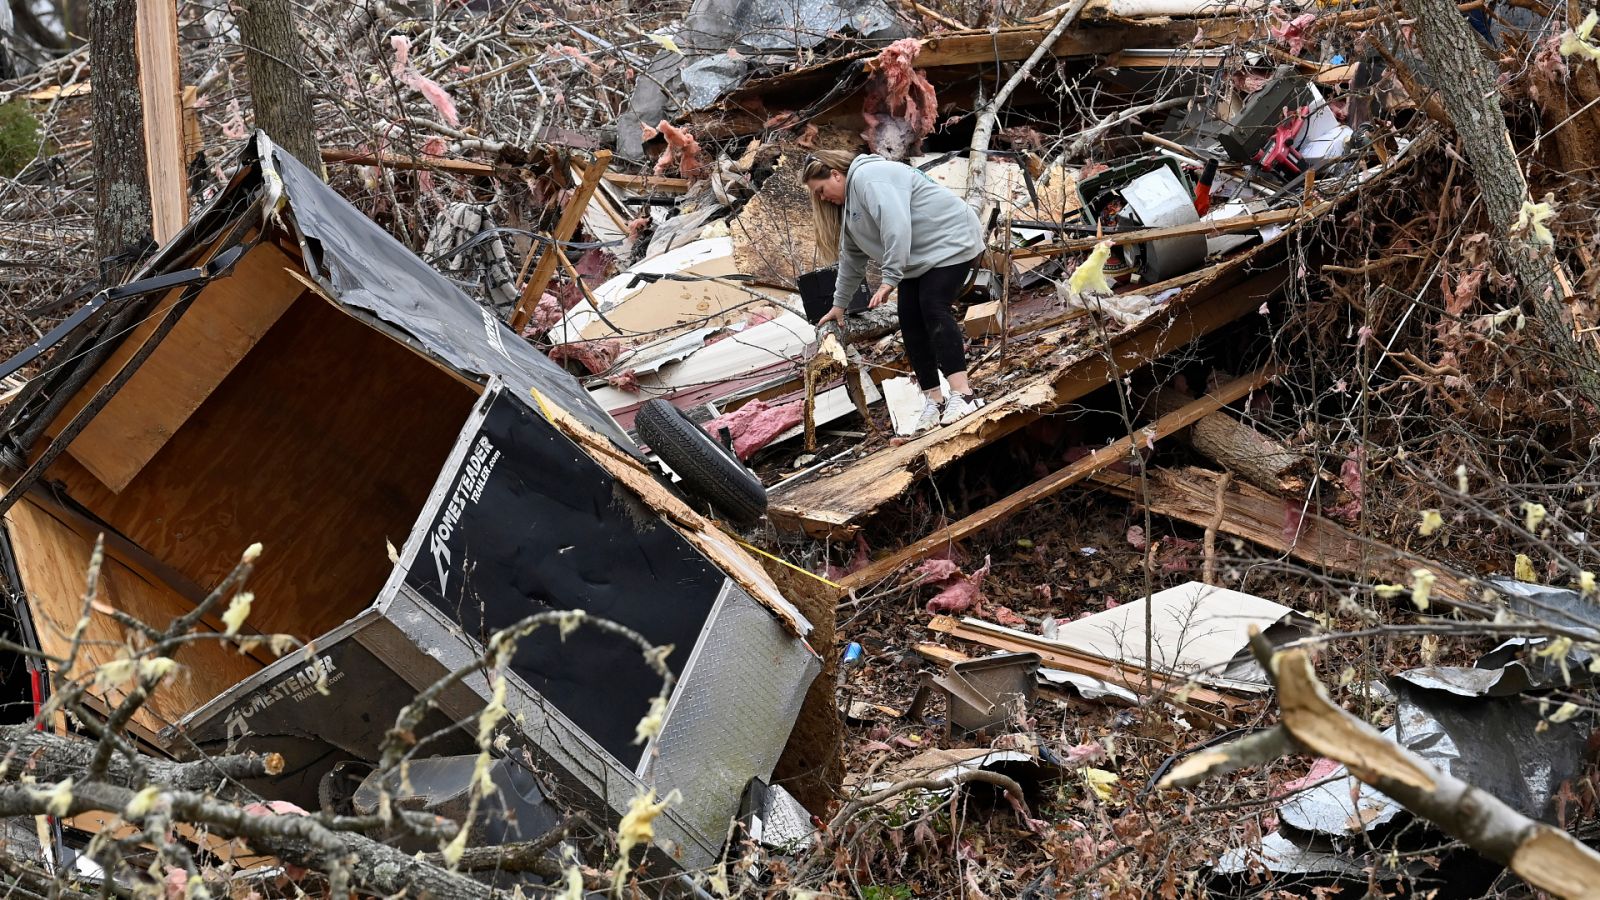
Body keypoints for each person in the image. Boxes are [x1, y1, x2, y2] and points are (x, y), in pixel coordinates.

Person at [803, 150, 987, 433]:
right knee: (910, 321)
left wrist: (890, 279)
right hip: (922, 259)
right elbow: (851, 260)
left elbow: (896, 225)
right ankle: (934, 401)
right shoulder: (852, 210)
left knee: (932, 305)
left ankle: (964, 395)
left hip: (953, 239)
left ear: (836, 175)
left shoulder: (868, 177)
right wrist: (838, 305)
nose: (822, 198)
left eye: (821, 190)